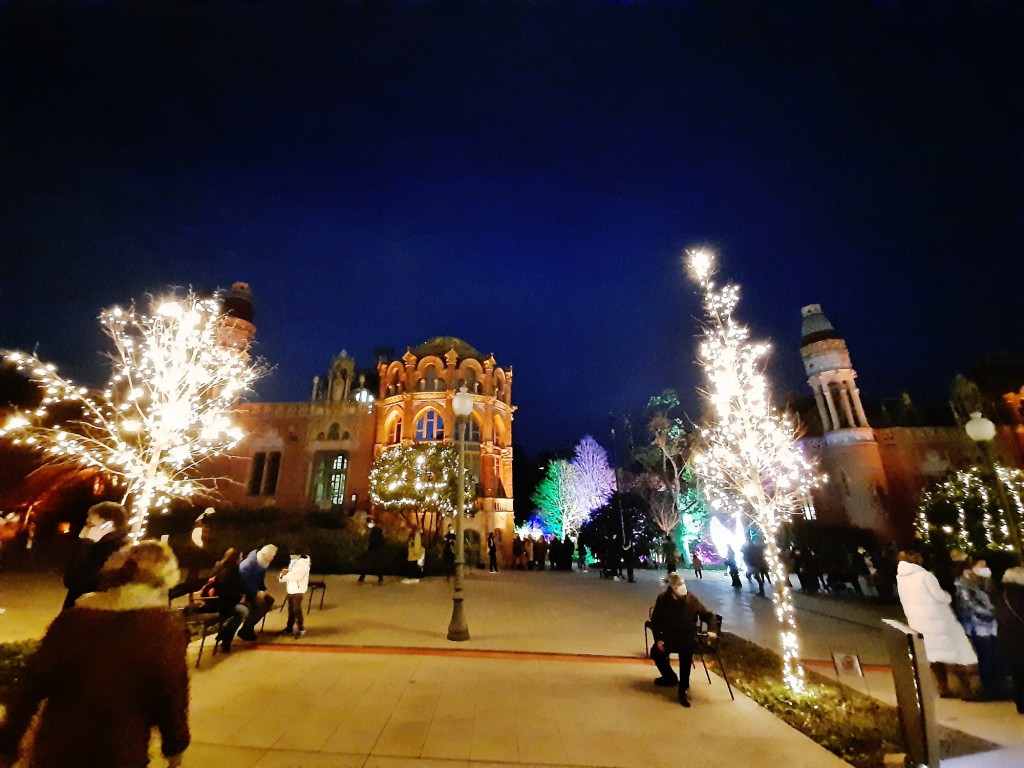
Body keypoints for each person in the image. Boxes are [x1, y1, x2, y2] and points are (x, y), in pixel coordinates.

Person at [0, 540, 190, 768]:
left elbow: (33, 686)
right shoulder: (163, 629)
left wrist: (9, 741)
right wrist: (174, 745)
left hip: (57, 749)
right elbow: (171, 693)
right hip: (120, 752)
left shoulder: (73, 619)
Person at [896, 551, 979, 699]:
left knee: (936, 656)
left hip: (918, 621)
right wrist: (948, 597)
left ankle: (943, 687)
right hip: (937, 619)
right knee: (954, 654)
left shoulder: (901, 578)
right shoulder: (925, 576)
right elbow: (939, 596)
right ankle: (966, 690)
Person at [648, 571, 709, 708]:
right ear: (672, 588)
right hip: (670, 637)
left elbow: (706, 614)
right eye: (679, 585)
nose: (683, 587)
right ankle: (669, 677)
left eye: (683, 583)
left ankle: (683, 689)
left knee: (686, 654)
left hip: (687, 637)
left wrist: (712, 629)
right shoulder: (663, 599)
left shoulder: (691, 599)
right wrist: (659, 639)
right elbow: (655, 621)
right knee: (656, 653)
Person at [61, 501, 129, 609]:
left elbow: (76, 580)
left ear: (108, 525)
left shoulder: (117, 549)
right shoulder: (97, 544)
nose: (86, 527)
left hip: (92, 612)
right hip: (80, 609)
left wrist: (86, 543)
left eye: (91, 524)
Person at [953, 558, 997, 699]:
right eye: (980, 565)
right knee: (985, 655)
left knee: (991, 655)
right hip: (976, 624)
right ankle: (986, 687)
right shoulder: (963, 584)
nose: (984, 568)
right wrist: (990, 612)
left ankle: (992, 686)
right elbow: (968, 605)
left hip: (988, 624)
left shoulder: (983, 581)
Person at [203, 547, 247, 653]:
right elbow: (228, 591)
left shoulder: (221, 567)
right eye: (240, 557)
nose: (241, 559)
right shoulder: (230, 571)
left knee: (246, 607)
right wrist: (239, 598)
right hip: (222, 604)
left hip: (218, 601)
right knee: (242, 611)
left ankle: (223, 633)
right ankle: (226, 639)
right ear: (235, 559)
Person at [994, 566, 1024, 713]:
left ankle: (1020, 703)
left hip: (1007, 638)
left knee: (1017, 672)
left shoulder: (1002, 595)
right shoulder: (1021, 596)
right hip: (1021, 637)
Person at [237, 544, 277, 641]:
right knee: (260, 604)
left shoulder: (261, 563)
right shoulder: (249, 564)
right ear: (264, 554)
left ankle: (249, 625)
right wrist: (256, 592)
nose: (272, 558)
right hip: (243, 592)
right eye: (271, 555)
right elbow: (243, 581)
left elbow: (259, 580)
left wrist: (263, 590)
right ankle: (245, 630)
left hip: (252, 590)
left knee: (269, 600)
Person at [279, 548, 311, 639]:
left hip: (298, 590)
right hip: (291, 589)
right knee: (291, 610)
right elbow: (288, 576)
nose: (292, 557)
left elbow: (298, 576)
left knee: (296, 609)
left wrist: (287, 574)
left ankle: (300, 628)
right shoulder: (293, 563)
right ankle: (289, 628)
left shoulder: (303, 564)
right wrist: (282, 576)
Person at [358, 518, 386, 584]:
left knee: (367, 565)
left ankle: (362, 578)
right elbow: (382, 543)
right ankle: (380, 578)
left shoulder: (373, 533)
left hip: (372, 550)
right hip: (377, 551)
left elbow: (371, 541)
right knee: (377, 565)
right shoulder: (379, 534)